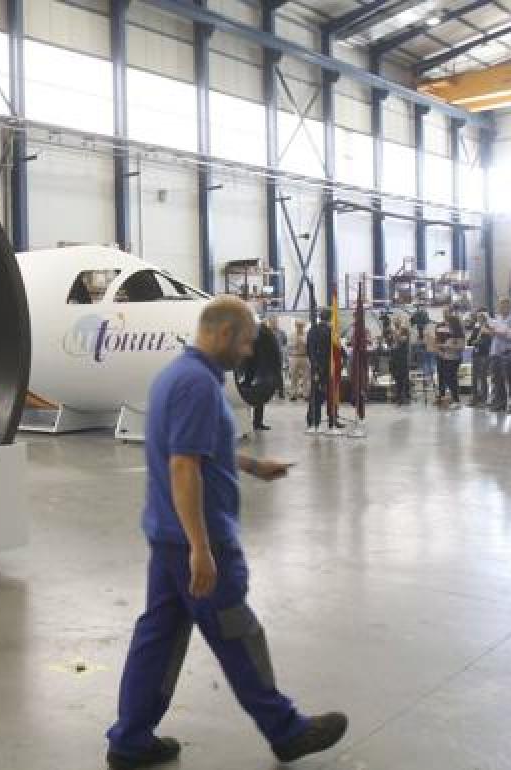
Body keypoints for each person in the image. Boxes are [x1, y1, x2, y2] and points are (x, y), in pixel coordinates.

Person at [105, 296, 347, 769]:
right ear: (221, 334)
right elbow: (182, 465)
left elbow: (197, 448)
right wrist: (201, 547)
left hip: (167, 537)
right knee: (238, 634)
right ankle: (286, 731)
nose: (249, 351)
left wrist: (253, 465)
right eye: (246, 341)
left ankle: (130, 741)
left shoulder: (177, 375)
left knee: (158, 638)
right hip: (199, 541)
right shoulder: (197, 385)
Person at [236, 317, 282, 432]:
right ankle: (255, 422)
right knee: (253, 397)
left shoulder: (260, 334)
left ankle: (256, 422)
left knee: (256, 397)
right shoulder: (260, 333)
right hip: (253, 370)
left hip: (256, 371)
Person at [305, 309, 332, 433]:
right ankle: (327, 420)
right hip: (326, 367)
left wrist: (313, 364)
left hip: (315, 366)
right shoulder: (329, 331)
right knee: (324, 394)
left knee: (316, 394)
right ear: (329, 318)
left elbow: (309, 349)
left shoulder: (312, 330)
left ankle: (313, 421)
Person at [433, 314, 466, 409]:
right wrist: (441, 347)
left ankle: (456, 399)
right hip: (446, 358)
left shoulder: (459, 334)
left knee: (452, 379)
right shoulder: (449, 333)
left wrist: (448, 346)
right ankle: (451, 398)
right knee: (446, 378)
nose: (446, 325)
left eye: (448, 323)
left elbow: (461, 347)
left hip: (454, 359)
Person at [487, 299, 511, 413]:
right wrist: (491, 332)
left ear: (509, 307)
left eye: (504, 306)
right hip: (495, 351)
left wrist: (496, 332)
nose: (502, 308)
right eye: (500, 306)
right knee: (496, 379)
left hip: (507, 352)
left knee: (510, 379)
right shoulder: (497, 319)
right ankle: (499, 403)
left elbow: (510, 335)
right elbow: (495, 332)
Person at [468, 309, 492, 407]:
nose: (480, 319)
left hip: (484, 354)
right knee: (474, 377)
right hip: (476, 354)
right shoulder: (476, 329)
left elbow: (488, 342)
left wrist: (478, 342)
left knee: (483, 377)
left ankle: (484, 399)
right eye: (478, 318)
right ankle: (474, 398)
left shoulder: (489, 328)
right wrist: (473, 341)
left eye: (481, 318)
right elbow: (469, 341)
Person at [390, 318, 411, 405]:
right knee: (397, 376)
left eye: (397, 321)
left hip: (403, 358)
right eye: (394, 322)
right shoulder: (395, 331)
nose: (395, 323)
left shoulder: (404, 330)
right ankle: (398, 395)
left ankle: (404, 395)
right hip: (396, 356)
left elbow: (402, 340)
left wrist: (396, 334)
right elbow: (394, 343)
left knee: (403, 377)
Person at [288, 319, 309, 401]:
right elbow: (289, 346)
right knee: (293, 376)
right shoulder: (292, 335)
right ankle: (293, 393)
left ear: (304, 326)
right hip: (295, 356)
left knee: (306, 376)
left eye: (301, 326)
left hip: (305, 356)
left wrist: (303, 342)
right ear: (296, 326)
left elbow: (308, 344)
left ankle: (305, 393)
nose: (300, 327)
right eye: (298, 325)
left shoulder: (306, 335)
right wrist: (296, 343)